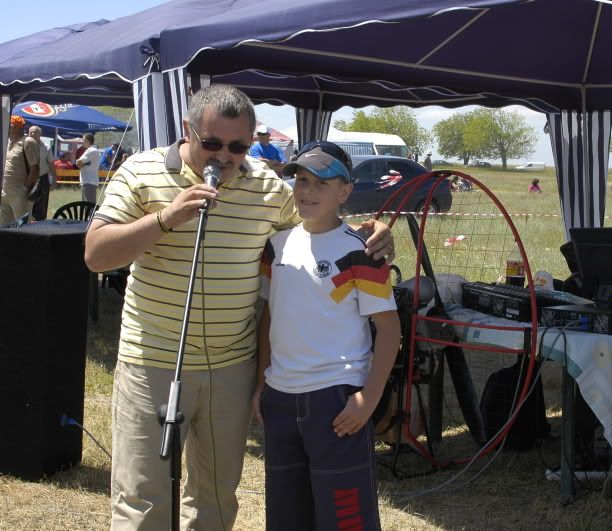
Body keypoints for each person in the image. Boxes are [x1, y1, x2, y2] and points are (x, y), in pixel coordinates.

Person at [83, 85, 393, 530]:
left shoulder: (269, 189)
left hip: (230, 369)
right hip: (151, 360)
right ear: (188, 131)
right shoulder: (141, 171)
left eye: (238, 146)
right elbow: (96, 254)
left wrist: (377, 234)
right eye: (212, 143)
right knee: (144, 500)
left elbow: (320, 223)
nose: (223, 157)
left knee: (213, 499)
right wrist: (165, 219)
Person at [256, 141, 400, 529]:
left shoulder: (361, 251)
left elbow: (389, 330)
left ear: (345, 191)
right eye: (301, 180)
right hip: (281, 401)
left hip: (336, 404)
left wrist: (368, 400)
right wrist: (260, 386)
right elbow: (269, 317)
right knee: (286, 518)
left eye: (321, 182)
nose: (307, 191)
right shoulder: (276, 247)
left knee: (345, 521)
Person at [0, 116, 39, 225]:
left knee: (22, 226)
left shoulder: (28, 141)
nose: (7, 129)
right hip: (5, 192)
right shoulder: (8, 142)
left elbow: (35, 167)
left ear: (19, 128)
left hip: (19, 192)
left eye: (11, 127)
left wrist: (25, 189)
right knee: (3, 227)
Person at [28, 126, 56, 221]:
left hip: (42, 178)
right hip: (28, 178)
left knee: (42, 205)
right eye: (30, 132)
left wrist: (54, 179)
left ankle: (40, 227)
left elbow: (51, 164)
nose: (32, 134)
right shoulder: (23, 146)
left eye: (34, 132)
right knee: (26, 203)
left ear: (40, 134)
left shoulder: (46, 147)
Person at [75, 133, 101, 203]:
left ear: (87, 140)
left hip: (88, 181)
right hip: (90, 181)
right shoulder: (94, 150)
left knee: (89, 207)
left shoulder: (91, 150)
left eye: (83, 140)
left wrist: (79, 163)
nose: (82, 142)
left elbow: (78, 163)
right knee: (88, 206)